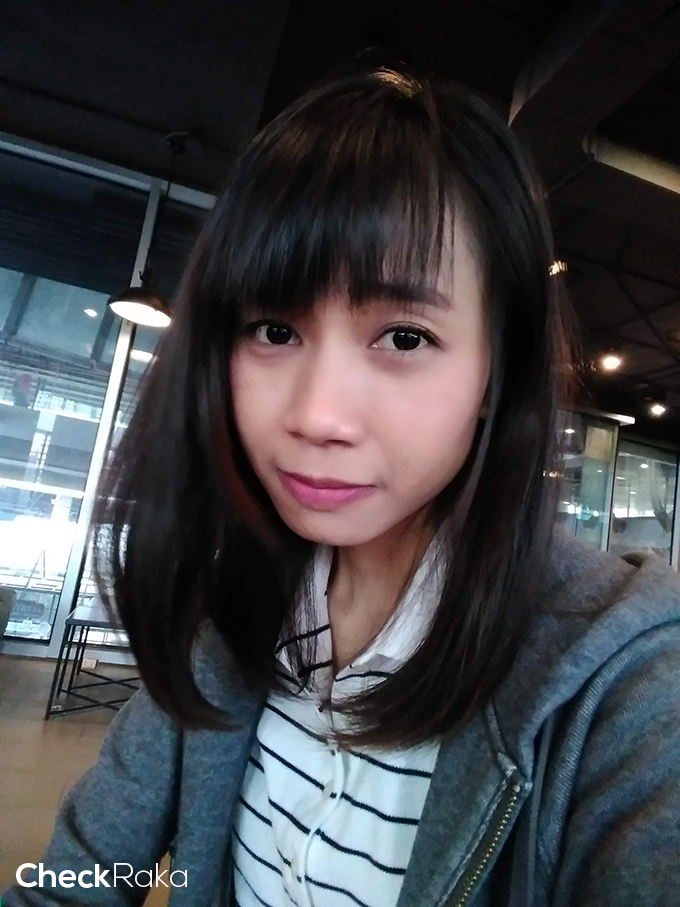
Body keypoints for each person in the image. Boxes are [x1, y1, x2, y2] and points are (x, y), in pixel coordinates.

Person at [3, 66, 679, 907]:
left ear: (496, 372)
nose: (317, 414)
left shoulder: (627, 681)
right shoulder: (231, 615)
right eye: (273, 329)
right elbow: (77, 878)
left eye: (404, 337)